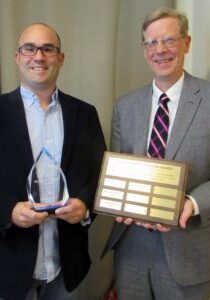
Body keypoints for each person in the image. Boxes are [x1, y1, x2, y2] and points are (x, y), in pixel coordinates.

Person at [103, 7, 210, 300]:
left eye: (169, 40)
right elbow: (118, 168)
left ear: (186, 43)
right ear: (143, 49)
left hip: (187, 249)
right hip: (131, 250)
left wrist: (192, 202)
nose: (160, 50)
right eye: (151, 43)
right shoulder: (124, 106)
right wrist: (117, 204)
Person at [0, 23, 106, 300]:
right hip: (8, 268)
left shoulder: (85, 114)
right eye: (29, 49)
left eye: (48, 49)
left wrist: (84, 206)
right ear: (17, 57)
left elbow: (100, 177)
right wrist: (8, 211)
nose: (39, 56)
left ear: (60, 58)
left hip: (66, 269)